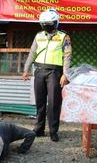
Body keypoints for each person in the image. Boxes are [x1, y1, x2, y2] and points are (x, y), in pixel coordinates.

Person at [22, 9, 72, 142]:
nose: (47, 26)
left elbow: (67, 56)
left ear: (56, 23)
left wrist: (65, 74)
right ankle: (38, 129)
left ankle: (53, 131)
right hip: (39, 70)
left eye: (50, 24)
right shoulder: (38, 36)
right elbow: (32, 53)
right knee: (40, 102)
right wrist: (26, 69)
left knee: (54, 103)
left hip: (54, 73)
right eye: (44, 24)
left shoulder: (63, 37)